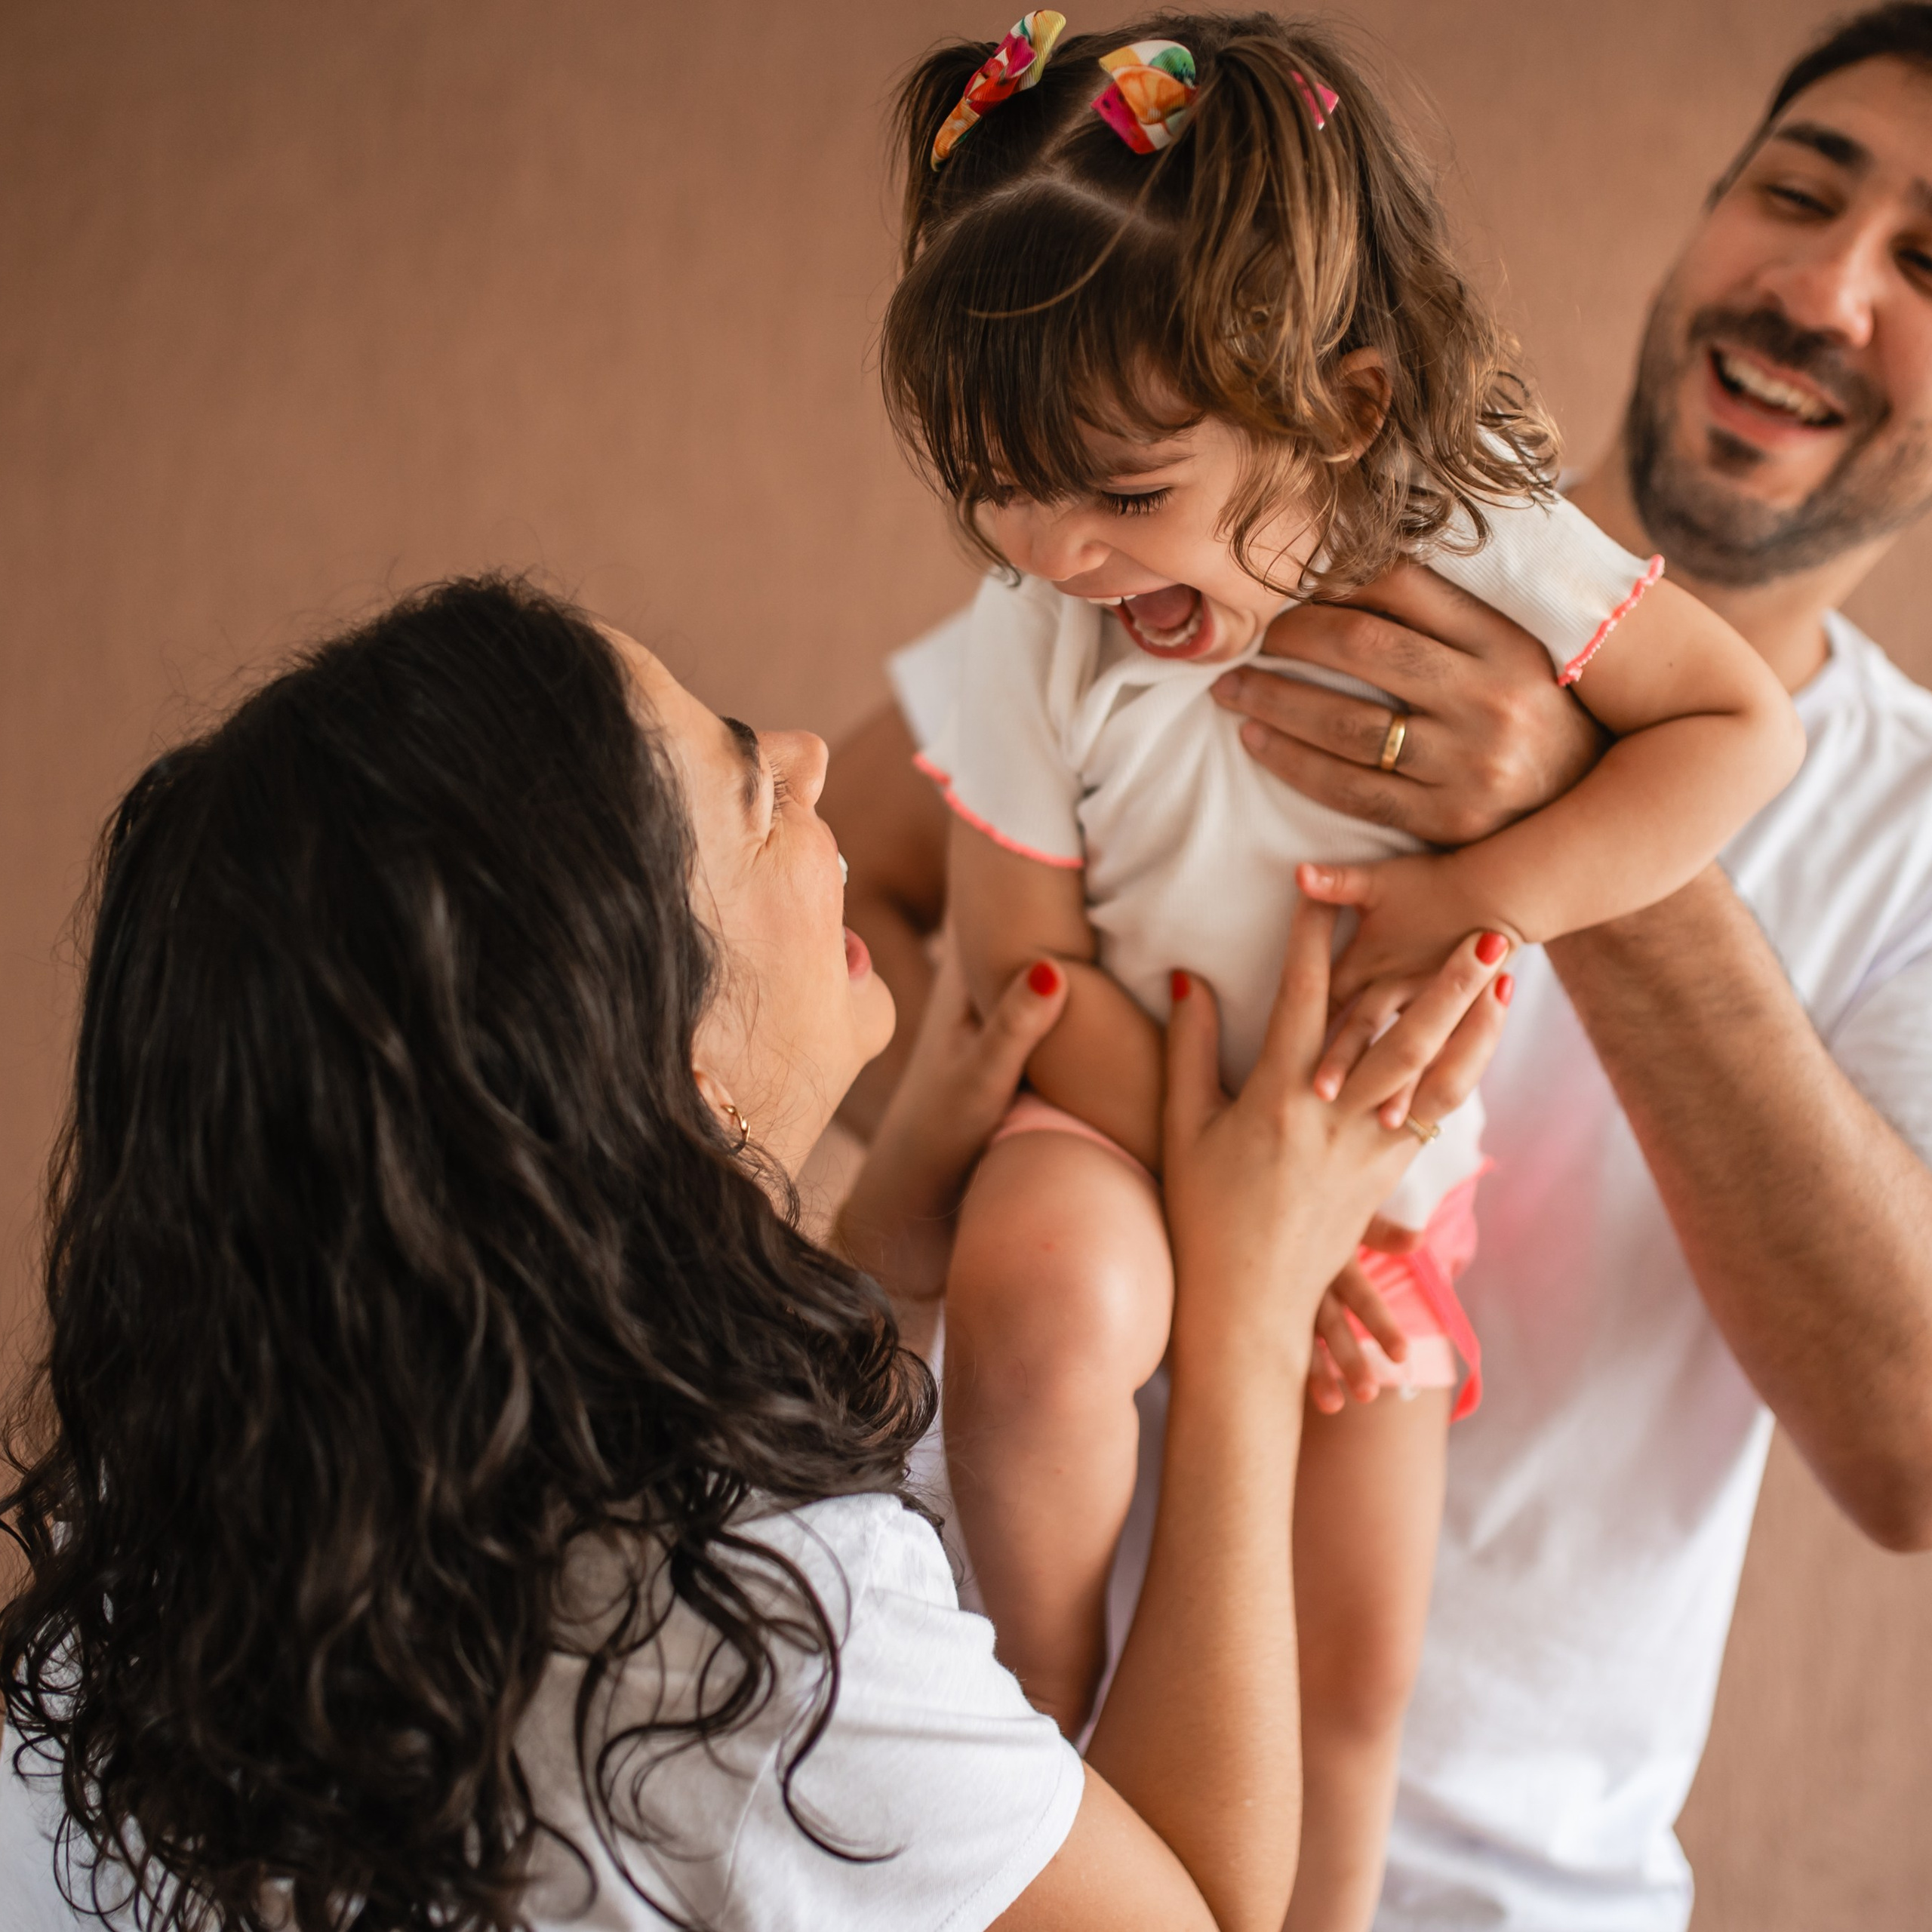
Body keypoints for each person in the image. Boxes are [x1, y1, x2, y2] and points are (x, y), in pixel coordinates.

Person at [823, 6, 1932, 1926]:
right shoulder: (1101, 590)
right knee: (1051, 1290)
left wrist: (1508, 860)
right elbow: (825, 894)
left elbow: (1911, 1446)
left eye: (1928, 264)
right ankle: (1044, 1750)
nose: (1828, 286)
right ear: (1702, 213)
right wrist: (1154, 1190)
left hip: (1506, 1872)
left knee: (1348, 1670)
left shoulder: (1873, 817)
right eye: (1795, 189)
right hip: (1037, 1781)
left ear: (1333, 401)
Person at [0, 576, 1509, 1932]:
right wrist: (1249, 1317)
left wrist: (870, 1271)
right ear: (666, 1057)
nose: (805, 754)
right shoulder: (748, 1639)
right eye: (742, 785)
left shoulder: (199, 1552)